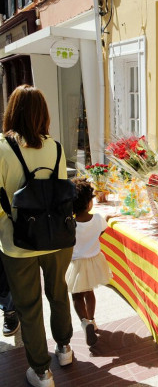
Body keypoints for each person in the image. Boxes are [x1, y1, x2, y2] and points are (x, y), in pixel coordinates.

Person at [0, 85, 73, 387]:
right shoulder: (55, 147)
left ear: (12, 111)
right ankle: (65, 348)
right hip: (57, 238)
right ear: (43, 114)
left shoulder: (2, 148)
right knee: (58, 293)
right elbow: (61, 190)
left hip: (18, 242)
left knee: (29, 306)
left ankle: (42, 372)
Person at [66, 178, 112, 347]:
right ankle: (92, 320)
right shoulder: (98, 219)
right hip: (94, 262)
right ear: (89, 203)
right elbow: (101, 231)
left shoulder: (69, 224)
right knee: (89, 292)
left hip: (76, 264)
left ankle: (85, 323)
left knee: (77, 296)